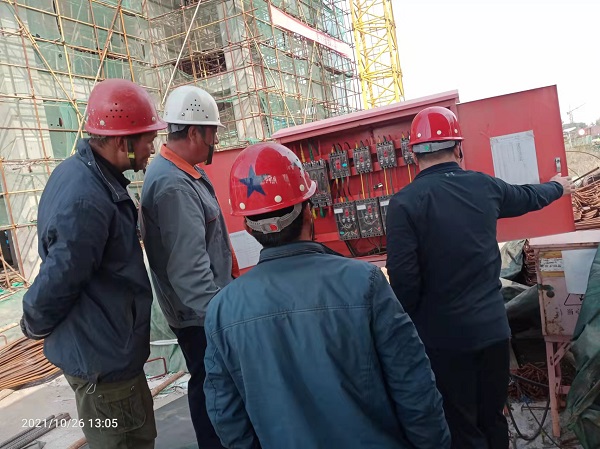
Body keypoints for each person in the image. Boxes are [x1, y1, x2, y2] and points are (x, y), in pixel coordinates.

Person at [203, 142, 450, 449]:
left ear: (248, 228)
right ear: (309, 212)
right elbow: (414, 386)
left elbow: (226, 415)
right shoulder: (365, 283)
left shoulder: (222, 310)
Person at [385, 106, 574, 449]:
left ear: (414, 155)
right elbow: (530, 196)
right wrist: (557, 187)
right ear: (458, 148)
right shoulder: (484, 187)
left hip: (443, 341)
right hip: (492, 333)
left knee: (461, 423)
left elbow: (404, 284)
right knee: (493, 417)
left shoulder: (403, 204)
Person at [20, 79, 166, 449]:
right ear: (121, 142)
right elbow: (60, 277)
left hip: (103, 352)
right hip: (107, 367)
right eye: (147, 139)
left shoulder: (82, 174)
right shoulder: (89, 199)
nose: (152, 148)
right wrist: (33, 321)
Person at [140, 85, 237, 449]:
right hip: (200, 316)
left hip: (201, 311)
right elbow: (189, 273)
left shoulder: (184, 172)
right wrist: (223, 319)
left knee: (210, 382)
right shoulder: (174, 186)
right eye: (213, 133)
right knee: (213, 386)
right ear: (195, 132)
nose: (216, 141)